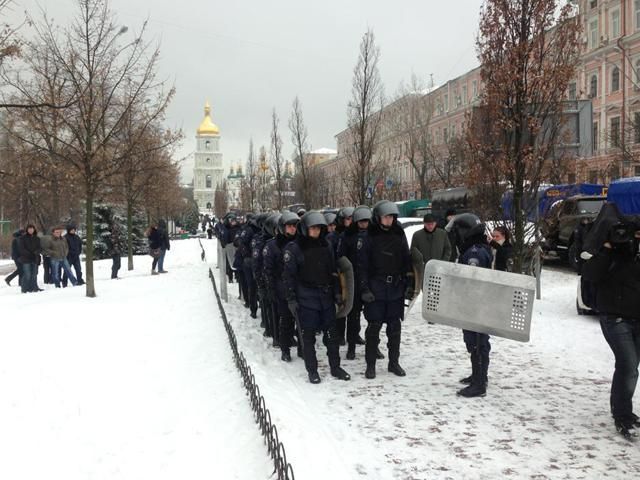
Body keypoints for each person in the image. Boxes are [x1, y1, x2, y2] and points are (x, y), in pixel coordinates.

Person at [582, 204, 640, 440]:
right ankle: (622, 415)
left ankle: (622, 408)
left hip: (637, 316)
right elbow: (589, 274)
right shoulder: (611, 251)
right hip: (614, 317)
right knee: (628, 365)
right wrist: (608, 249)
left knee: (630, 367)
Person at [283, 211, 350, 384]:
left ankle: (335, 367)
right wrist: (291, 299)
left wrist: (337, 293)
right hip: (306, 298)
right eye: (313, 228)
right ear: (305, 229)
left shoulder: (326, 245)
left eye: (319, 228)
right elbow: (289, 276)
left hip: (325, 296)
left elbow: (333, 271)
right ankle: (312, 370)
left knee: (331, 335)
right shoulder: (294, 248)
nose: (316, 231)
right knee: (308, 337)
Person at [358, 200, 413, 379]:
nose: (389, 220)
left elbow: (406, 258)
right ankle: (371, 365)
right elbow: (362, 266)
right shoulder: (369, 236)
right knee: (374, 328)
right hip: (376, 288)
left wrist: (408, 283)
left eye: (391, 217)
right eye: (386, 217)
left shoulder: (399, 233)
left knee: (395, 328)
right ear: (378, 218)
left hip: (395, 288)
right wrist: (364, 289)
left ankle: (393, 363)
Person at [448, 213, 493, 398]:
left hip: (476, 306)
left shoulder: (474, 252)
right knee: (476, 341)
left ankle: (479, 384)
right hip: (477, 305)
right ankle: (478, 376)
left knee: (477, 342)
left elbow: (473, 281)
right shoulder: (479, 247)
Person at [338, 205, 375, 360]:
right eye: (361, 221)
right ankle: (351, 347)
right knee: (353, 318)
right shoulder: (347, 236)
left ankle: (374, 346)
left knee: (374, 319)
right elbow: (341, 257)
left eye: (366, 221)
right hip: (353, 282)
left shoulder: (374, 235)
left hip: (371, 282)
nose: (364, 224)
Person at [263, 212, 300, 361]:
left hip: (298, 286)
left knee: (301, 321)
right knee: (286, 320)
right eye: (289, 226)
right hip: (281, 287)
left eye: (295, 226)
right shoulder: (272, 245)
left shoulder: (299, 243)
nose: (293, 229)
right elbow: (268, 270)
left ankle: (302, 349)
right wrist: (270, 289)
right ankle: (285, 349)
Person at [18, 224, 42, 293]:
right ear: (27, 230)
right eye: (29, 229)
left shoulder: (37, 238)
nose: (31, 230)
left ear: (34, 229)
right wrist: (30, 254)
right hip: (26, 259)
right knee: (27, 274)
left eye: (32, 229)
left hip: (35, 258)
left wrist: (36, 252)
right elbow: (21, 249)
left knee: (34, 274)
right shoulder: (22, 238)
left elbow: (40, 248)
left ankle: (34, 287)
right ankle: (24, 289)